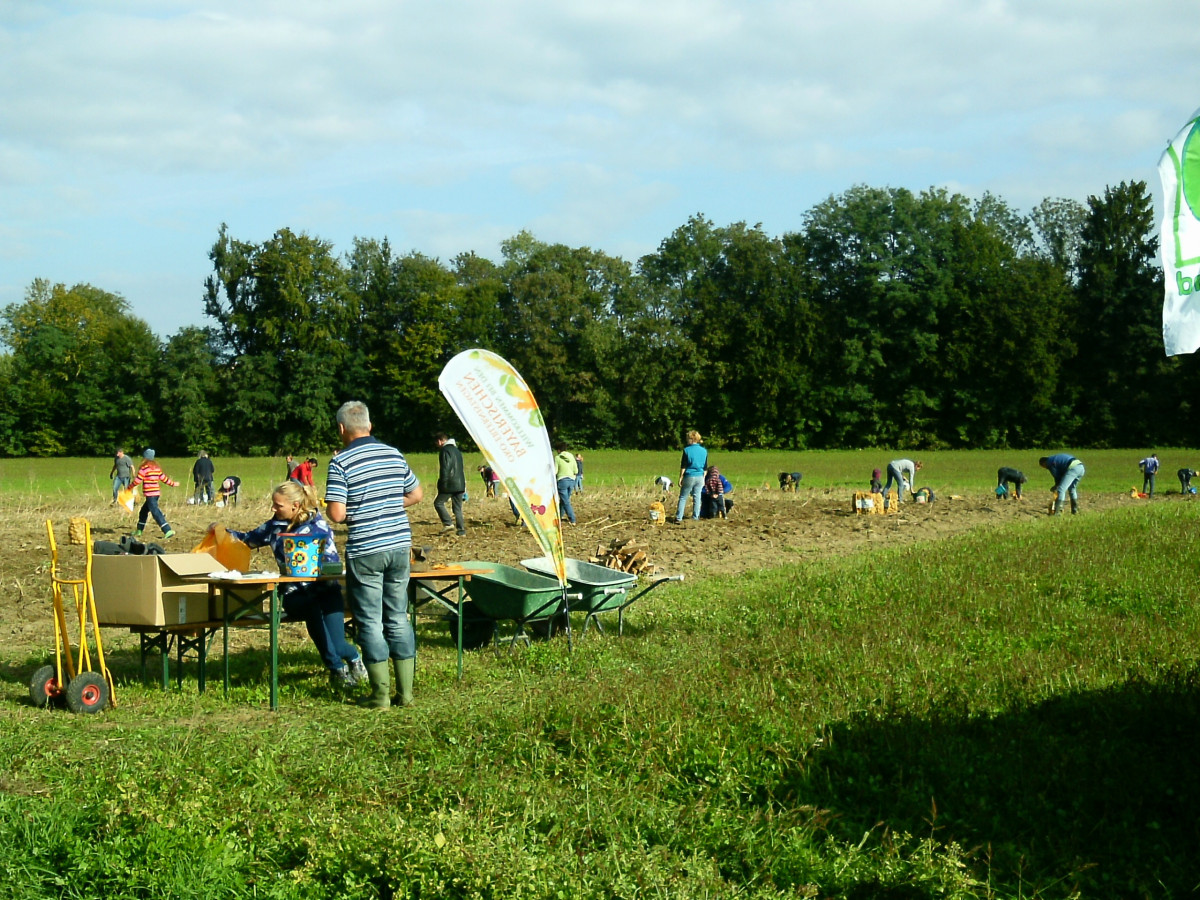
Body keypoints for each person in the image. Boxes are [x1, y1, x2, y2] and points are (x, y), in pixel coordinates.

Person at [325, 401, 423, 709]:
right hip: (399, 545)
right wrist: (387, 507)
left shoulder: (340, 462)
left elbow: (337, 514)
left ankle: (380, 695)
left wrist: (364, 511)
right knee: (397, 615)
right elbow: (416, 494)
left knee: (369, 620)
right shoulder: (394, 453)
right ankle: (405, 694)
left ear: (342, 428)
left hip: (367, 548)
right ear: (370, 425)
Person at [222, 481, 367, 689]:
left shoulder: (319, 526)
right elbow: (246, 540)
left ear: (295, 505)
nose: (273, 508)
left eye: (278, 505)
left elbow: (332, 561)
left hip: (326, 591)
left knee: (337, 643)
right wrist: (221, 531)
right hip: (295, 595)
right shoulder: (273, 527)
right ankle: (336, 670)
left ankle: (353, 657)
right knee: (312, 610)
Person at [132, 449, 178, 539]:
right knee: (143, 511)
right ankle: (139, 530)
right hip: (156, 494)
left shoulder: (144, 469)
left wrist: (130, 487)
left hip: (150, 494)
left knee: (155, 512)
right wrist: (173, 484)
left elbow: (138, 480)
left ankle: (167, 530)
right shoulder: (156, 468)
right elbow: (164, 478)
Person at [434, 432, 467, 536]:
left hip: (450, 483)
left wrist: (442, 483)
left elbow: (445, 468)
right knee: (457, 508)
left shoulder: (445, 450)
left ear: (440, 441)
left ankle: (448, 523)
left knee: (438, 503)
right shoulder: (457, 451)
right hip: (460, 483)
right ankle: (461, 531)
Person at [674, 430, 708, 524]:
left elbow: (683, 465)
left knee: (683, 497)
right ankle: (695, 517)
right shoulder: (704, 451)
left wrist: (680, 477)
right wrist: (704, 478)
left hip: (689, 475)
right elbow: (705, 467)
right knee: (697, 497)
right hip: (700, 476)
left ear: (691, 439)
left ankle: (679, 517)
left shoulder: (687, 450)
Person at [554, 442, 578, 526]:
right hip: (572, 480)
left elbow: (555, 471)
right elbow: (576, 470)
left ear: (559, 450)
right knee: (564, 501)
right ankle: (559, 517)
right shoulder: (571, 456)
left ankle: (572, 519)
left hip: (562, 481)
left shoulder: (557, 458)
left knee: (565, 501)